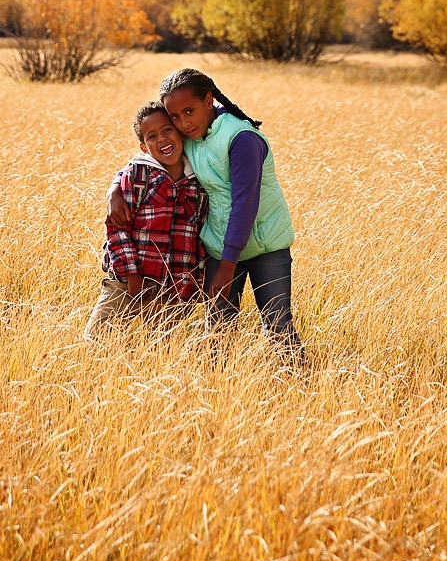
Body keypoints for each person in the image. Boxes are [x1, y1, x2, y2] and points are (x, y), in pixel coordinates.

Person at [109, 66, 303, 356]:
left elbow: (245, 202)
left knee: (277, 327)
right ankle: (218, 393)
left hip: (266, 246)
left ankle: (299, 381)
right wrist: (114, 190)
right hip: (217, 245)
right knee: (218, 331)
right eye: (175, 117)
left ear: (209, 100)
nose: (183, 124)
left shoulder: (242, 138)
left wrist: (227, 266)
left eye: (189, 112)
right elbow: (149, 157)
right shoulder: (191, 138)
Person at [84, 100, 207, 340]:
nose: (161, 139)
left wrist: (193, 283)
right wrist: (132, 276)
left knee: (161, 351)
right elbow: (117, 228)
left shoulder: (198, 179)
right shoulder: (139, 173)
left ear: (180, 132)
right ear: (143, 146)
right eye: (152, 136)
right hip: (127, 279)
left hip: (174, 287)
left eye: (167, 130)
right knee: (96, 339)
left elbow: (199, 233)